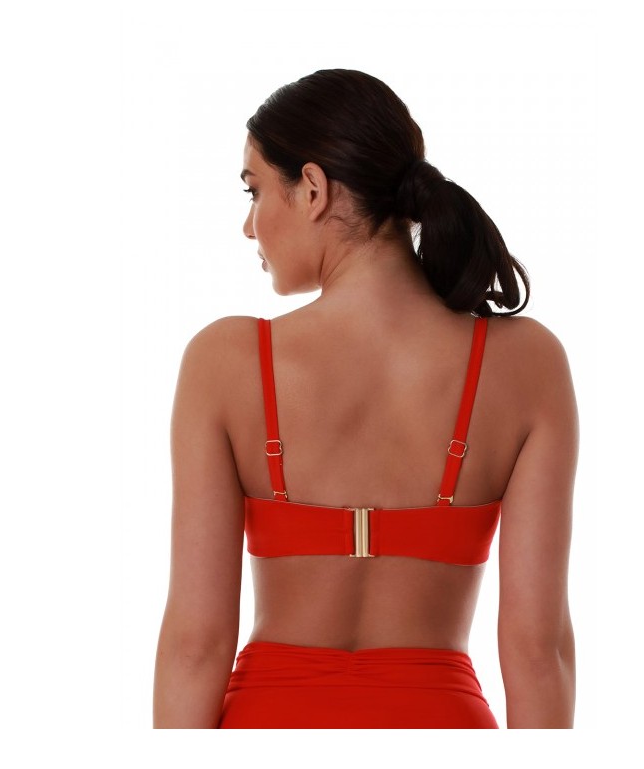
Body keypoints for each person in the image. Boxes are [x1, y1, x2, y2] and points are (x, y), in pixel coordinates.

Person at [153, 69, 578, 728]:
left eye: (254, 190)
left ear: (313, 189)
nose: (248, 227)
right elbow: (537, 653)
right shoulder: (527, 363)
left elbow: (195, 645)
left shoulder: (225, 362)